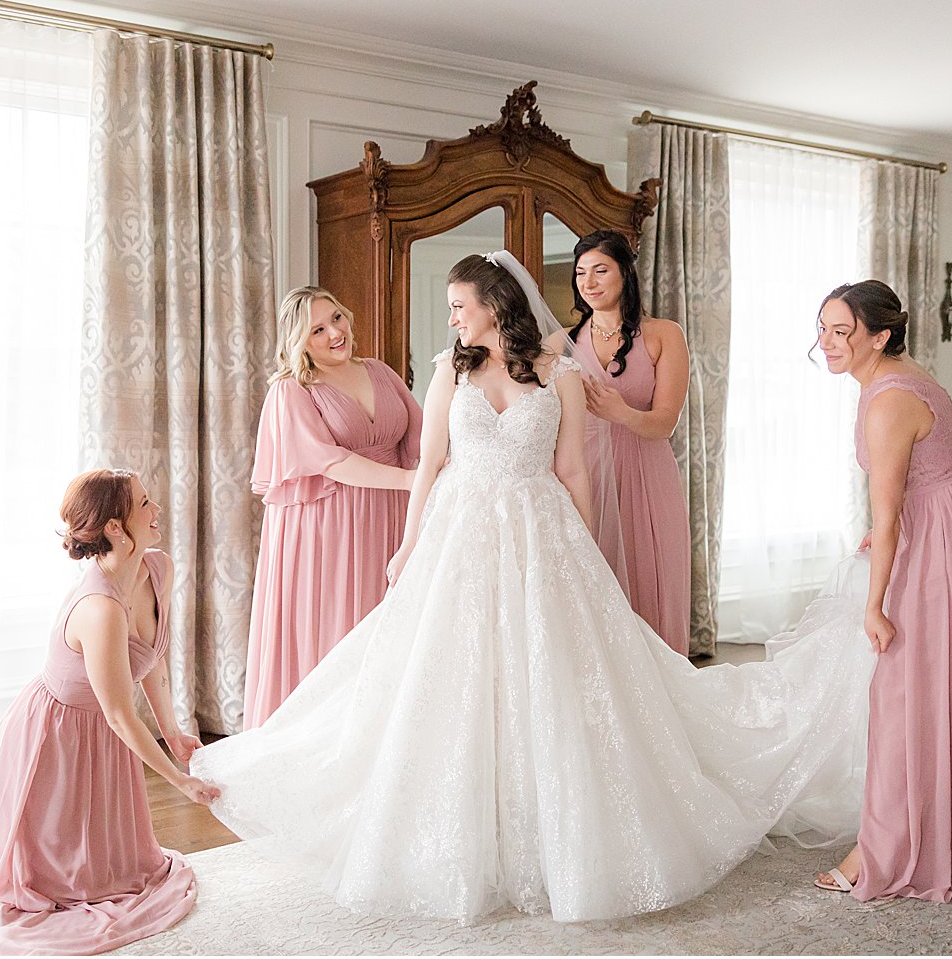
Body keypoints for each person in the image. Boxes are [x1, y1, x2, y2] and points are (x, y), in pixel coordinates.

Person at [195, 252, 878, 924]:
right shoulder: (446, 372)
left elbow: (574, 468)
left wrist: (585, 548)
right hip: (459, 537)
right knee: (453, 679)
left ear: (494, 306)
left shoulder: (560, 375)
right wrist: (407, 543)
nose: (453, 318)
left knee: (551, 676)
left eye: (460, 305)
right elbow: (430, 462)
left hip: (541, 530)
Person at [0, 468, 218, 955]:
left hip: (102, 729)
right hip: (59, 736)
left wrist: (172, 730)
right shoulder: (99, 608)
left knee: (115, 869)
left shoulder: (157, 569)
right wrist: (179, 779)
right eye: (145, 504)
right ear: (114, 527)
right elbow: (120, 716)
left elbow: (150, 656)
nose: (157, 509)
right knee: (69, 882)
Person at [810, 281, 952, 901]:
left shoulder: (888, 401)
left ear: (879, 337)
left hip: (941, 540)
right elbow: (913, 477)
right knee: (950, 682)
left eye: (839, 332)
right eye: (822, 329)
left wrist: (875, 604)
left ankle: (884, 848)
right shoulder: (903, 375)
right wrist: (885, 528)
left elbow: (890, 512)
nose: (824, 344)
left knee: (908, 689)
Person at [244, 287, 422, 728]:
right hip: (332, 526)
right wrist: (407, 481)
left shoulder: (380, 372)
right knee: (340, 631)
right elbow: (330, 459)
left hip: (392, 517)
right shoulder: (291, 392)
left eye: (337, 319)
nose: (334, 334)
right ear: (299, 342)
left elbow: (421, 436)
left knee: (389, 633)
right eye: (317, 330)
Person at [562, 230, 692, 655]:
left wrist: (621, 413)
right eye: (581, 273)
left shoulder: (663, 335)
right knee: (594, 587)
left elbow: (665, 423)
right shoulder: (559, 343)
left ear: (625, 274)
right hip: (585, 476)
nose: (589, 281)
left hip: (645, 474)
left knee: (648, 582)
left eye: (600, 270)